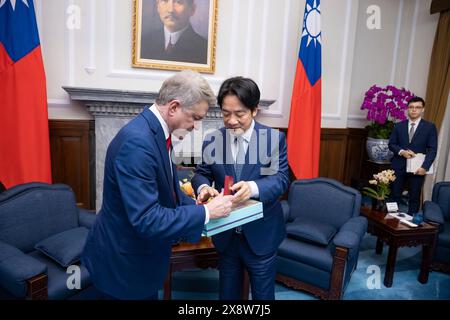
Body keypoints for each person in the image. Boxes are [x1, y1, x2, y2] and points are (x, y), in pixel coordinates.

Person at [81, 70, 234, 300]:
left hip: (140, 259)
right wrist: (205, 213)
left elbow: (168, 190)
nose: (195, 126)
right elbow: (147, 219)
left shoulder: (156, 133)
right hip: (123, 265)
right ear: (173, 107)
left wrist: (194, 202)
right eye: (195, 117)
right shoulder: (138, 144)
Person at [191, 77, 290, 300]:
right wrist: (204, 187)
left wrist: (253, 187)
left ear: (255, 110)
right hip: (226, 235)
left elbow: (281, 179)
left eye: (240, 114)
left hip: (261, 236)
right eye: (226, 113)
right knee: (228, 296)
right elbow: (201, 173)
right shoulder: (213, 140)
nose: (232, 121)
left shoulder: (273, 139)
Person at [388, 96, 438, 214]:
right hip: (398, 165)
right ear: (407, 109)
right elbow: (391, 144)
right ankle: (391, 220)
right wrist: (402, 152)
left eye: (417, 107)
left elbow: (432, 149)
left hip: (418, 168)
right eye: (411, 107)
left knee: (414, 197)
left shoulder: (429, 127)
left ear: (423, 109)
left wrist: (425, 167)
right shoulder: (399, 125)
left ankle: (411, 224)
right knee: (394, 195)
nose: (414, 110)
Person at [141, 0, 208, 64]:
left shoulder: (204, 50)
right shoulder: (143, 42)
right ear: (158, 6)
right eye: (165, 1)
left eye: (178, 2)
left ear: (192, 9)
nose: (170, 10)